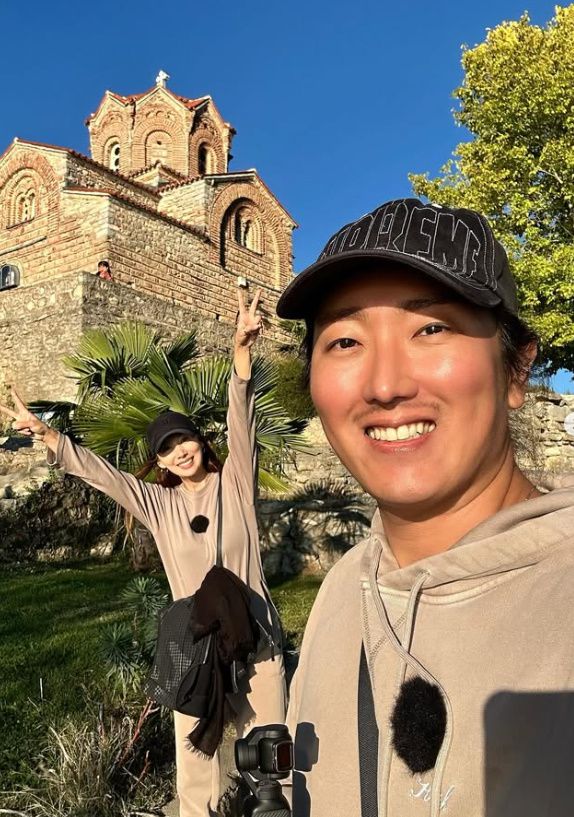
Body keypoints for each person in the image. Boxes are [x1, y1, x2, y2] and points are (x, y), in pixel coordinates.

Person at [276, 198, 574, 817]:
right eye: (346, 340)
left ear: (516, 369)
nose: (385, 385)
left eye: (431, 329)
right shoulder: (342, 590)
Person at [1, 289, 286, 817]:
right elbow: (103, 476)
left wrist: (241, 352)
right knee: (195, 768)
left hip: (254, 638)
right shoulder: (158, 503)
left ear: (200, 441)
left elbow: (241, 420)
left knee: (272, 759)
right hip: (192, 646)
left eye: (184, 440)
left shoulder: (235, 485)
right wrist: (47, 434)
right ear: (160, 461)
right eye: (166, 448)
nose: (179, 452)